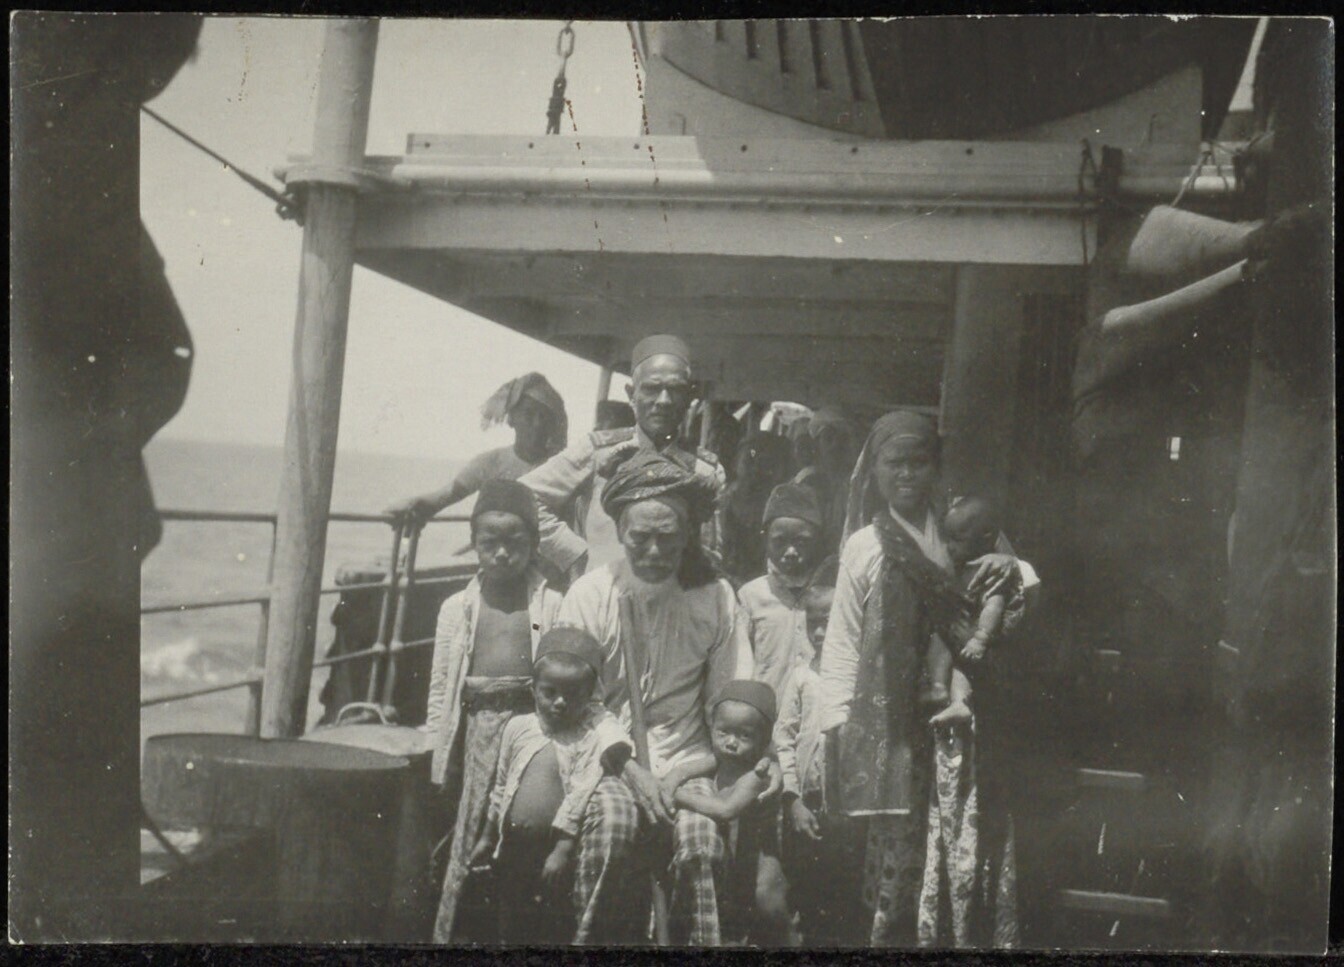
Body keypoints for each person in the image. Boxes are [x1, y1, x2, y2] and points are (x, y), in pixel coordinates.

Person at [818, 410, 1029, 947]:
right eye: (895, 463)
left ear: (936, 468)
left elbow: (1022, 581)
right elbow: (842, 640)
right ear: (875, 471)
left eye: (919, 462)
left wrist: (1007, 574)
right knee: (899, 847)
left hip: (962, 715)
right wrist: (836, 724)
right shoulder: (865, 545)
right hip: (893, 722)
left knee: (959, 839)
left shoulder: (962, 529)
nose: (907, 474)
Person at [555, 450, 783, 945]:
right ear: (620, 532)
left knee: (702, 845)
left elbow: (730, 704)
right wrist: (634, 771)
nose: (655, 551)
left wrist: (682, 773)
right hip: (611, 760)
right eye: (641, 538)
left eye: (669, 537)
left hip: (691, 759)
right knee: (612, 831)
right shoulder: (590, 595)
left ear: (688, 534)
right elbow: (578, 704)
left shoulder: (716, 597)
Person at [422, 480, 564, 942]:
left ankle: (515, 930)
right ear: (475, 544)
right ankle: (459, 931)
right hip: (476, 732)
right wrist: (435, 750)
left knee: (518, 829)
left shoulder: (551, 604)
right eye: (490, 543)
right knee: (468, 832)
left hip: (532, 731)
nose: (502, 553)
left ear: (534, 543)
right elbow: (441, 685)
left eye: (514, 542)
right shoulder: (457, 608)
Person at [467, 628, 634, 944]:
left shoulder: (587, 741)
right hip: (512, 846)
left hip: (549, 852)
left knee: (547, 922)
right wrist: (488, 838)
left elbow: (579, 797)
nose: (560, 702)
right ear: (533, 689)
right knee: (509, 918)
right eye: (550, 692)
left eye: (572, 695)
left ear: (589, 696)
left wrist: (562, 850)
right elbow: (501, 786)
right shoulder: (518, 727)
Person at [519, 334, 725, 581]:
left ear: (690, 397)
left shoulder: (705, 468)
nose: (664, 401)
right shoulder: (597, 450)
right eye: (651, 388)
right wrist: (577, 554)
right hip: (603, 593)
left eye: (675, 390)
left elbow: (712, 548)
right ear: (631, 394)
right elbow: (521, 497)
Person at [775, 585, 865, 945]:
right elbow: (784, 737)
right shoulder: (801, 676)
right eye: (813, 623)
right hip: (809, 804)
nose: (820, 632)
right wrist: (792, 798)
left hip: (852, 807)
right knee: (809, 888)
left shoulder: (861, 675)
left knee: (849, 888)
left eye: (828, 622)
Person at [673, 680, 794, 946]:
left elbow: (726, 810)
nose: (731, 743)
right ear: (712, 728)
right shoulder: (721, 759)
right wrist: (668, 781)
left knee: (767, 902)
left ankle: (789, 942)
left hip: (758, 855)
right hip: (732, 848)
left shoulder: (757, 774)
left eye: (744, 736)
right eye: (723, 732)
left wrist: (677, 796)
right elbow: (683, 770)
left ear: (763, 739)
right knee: (730, 905)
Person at [387, 372, 568, 526]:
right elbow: (445, 496)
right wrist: (413, 506)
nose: (537, 424)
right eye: (528, 414)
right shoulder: (491, 463)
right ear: (511, 419)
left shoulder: (563, 467)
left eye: (544, 417)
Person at [924, 496, 1025, 727]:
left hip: (980, 637)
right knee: (939, 640)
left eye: (958, 540)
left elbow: (994, 604)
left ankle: (959, 701)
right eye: (947, 539)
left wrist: (980, 638)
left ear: (986, 537)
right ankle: (939, 688)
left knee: (963, 665)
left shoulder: (994, 567)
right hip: (959, 629)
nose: (950, 547)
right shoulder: (961, 561)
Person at [738, 483, 837, 702]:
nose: (791, 551)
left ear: (818, 540)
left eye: (802, 542)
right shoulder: (750, 597)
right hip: (767, 715)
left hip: (817, 711)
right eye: (780, 542)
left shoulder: (832, 595)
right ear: (765, 539)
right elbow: (741, 666)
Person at [717, 431, 794, 587]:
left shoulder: (783, 511)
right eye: (749, 462)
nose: (756, 471)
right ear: (735, 463)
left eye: (766, 464)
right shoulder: (719, 504)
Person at [793, 405, 860, 557]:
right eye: (828, 438)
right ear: (816, 445)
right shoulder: (808, 482)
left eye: (843, 439)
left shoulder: (857, 482)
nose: (836, 445)